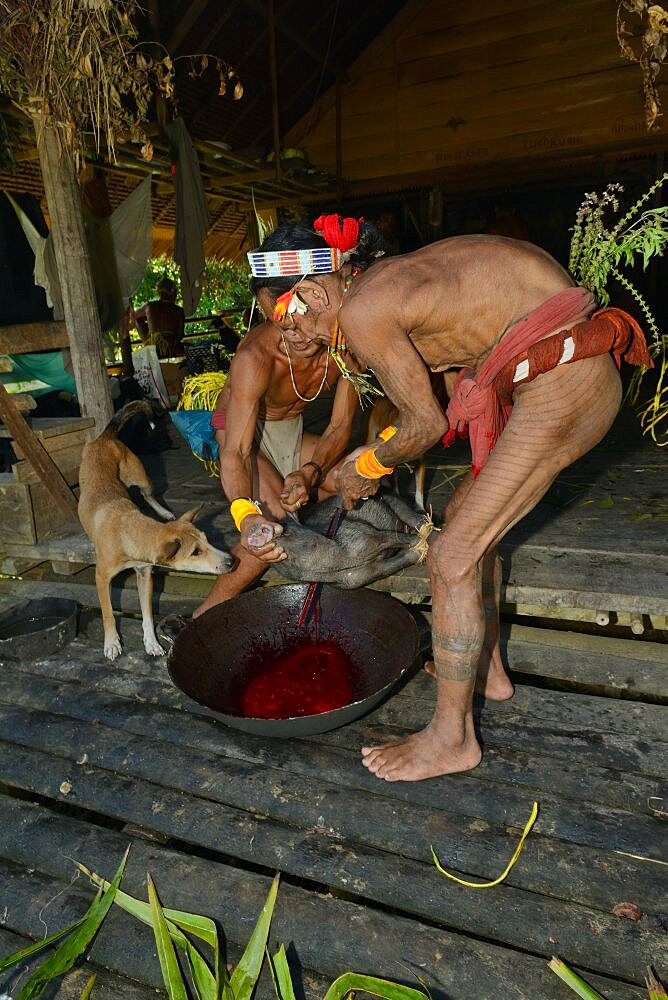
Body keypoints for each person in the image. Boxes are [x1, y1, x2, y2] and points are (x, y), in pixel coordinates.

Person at [250, 216, 653, 782]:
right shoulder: (381, 287)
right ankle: (486, 669)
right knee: (462, 518)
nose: (288, 338)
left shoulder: (364, 311)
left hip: (566, 383)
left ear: (314, 291)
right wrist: (372, 457)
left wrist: (364, 465)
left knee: (451, 556)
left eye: (286, 319)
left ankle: (452, 738)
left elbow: (425, 423)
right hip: (565, 372)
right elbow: (437, 385)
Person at [192, 220, 384, 617]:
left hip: (291, 433)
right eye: (278, 319)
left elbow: (338, 428)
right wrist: (245, 515)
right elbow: (236, 452)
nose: (292, 332)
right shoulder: (256, 357)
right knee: (272, 525)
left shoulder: (346, 345)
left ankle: (299, 505)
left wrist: (311, 472)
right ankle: (202, 617)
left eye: (301, 315)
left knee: (352, 479)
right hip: (241, 436)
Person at [134, 276, 186, 359]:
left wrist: (149, 335)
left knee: (137, 321)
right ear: (173, 292)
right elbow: (180, 335)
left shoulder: (149, 306)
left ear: (159, 292)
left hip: (153, 349)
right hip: (171, 349)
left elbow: (133, 317)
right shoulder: (179, 311)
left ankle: (147, 343)